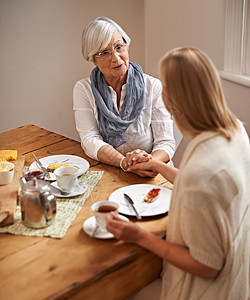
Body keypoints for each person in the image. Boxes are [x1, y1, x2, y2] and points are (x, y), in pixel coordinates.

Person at [106, 47, 250, 299]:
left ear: (171, 100)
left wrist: (139, 235)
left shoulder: (200, 173)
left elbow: (207, 266)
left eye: (164, 87)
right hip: (240, 275)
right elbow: (209, 186)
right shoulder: (235, 130)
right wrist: (159, 166)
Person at [73, 17, 175, 177]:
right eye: (104, 52)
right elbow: (90, 138)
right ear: (93, 59)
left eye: (119, 47)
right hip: (111, 171)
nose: (116, 58)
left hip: (154, 171)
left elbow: (166, 142)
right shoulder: (83, 89)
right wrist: (123, 163)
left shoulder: (153, 86)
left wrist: (150, 164)